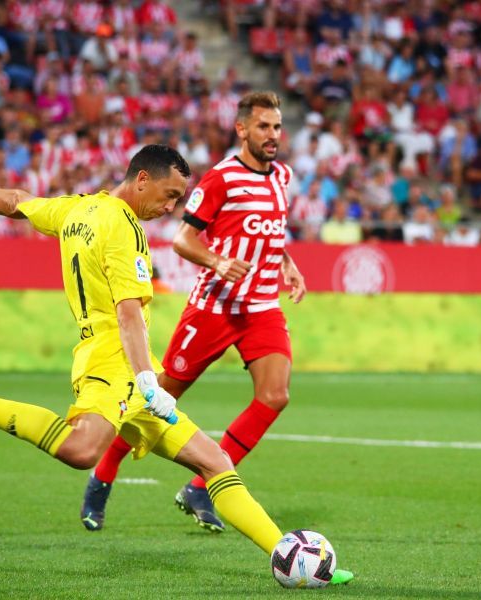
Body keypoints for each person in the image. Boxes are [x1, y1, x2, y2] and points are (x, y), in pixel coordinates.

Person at [0, 145, 353, 585]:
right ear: (142, 179)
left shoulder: (78, 208)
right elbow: (128, 312)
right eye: (170, 195)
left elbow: (17, 202)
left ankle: (290, 556)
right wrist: (149, 381)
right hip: (114, 362)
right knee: (80, 451)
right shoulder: (124, 227)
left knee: (213, 462)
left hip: (123, 362)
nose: (171, 207)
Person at [80, 92, 309, 537]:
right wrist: (220, 263)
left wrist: (288, 265)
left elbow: (272, 233)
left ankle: (201, 486)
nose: (273, 136)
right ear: (242, 129)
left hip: (261, 307)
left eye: (277, 127)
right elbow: (184, 240)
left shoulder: (283, 176)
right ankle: (102, 476)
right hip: (214, 309)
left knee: (275, 395)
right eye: (263, 127)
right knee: (157, 401)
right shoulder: (222, 178)